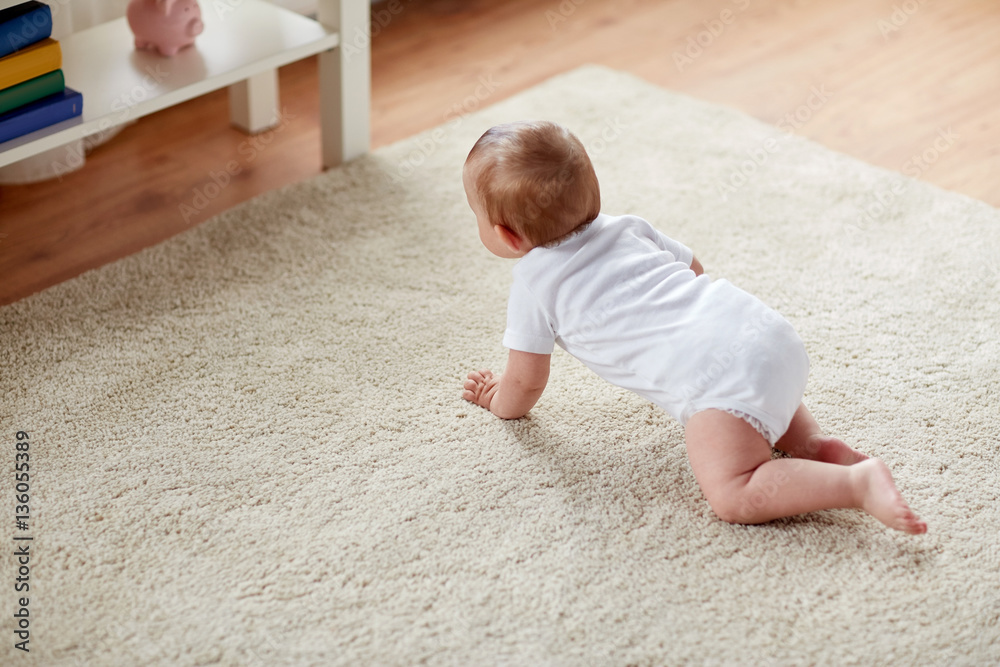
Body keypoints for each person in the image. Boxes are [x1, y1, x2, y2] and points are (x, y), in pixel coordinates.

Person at [460, 120, 927, 534]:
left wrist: (497, 402)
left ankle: (854, 484)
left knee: (734, 492)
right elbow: (695, 269)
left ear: (505, 234)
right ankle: (816, 448)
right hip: (762, 330)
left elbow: (525, 381)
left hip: (717, 379)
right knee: (758, 401)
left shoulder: (533, 284)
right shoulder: (627, 226)